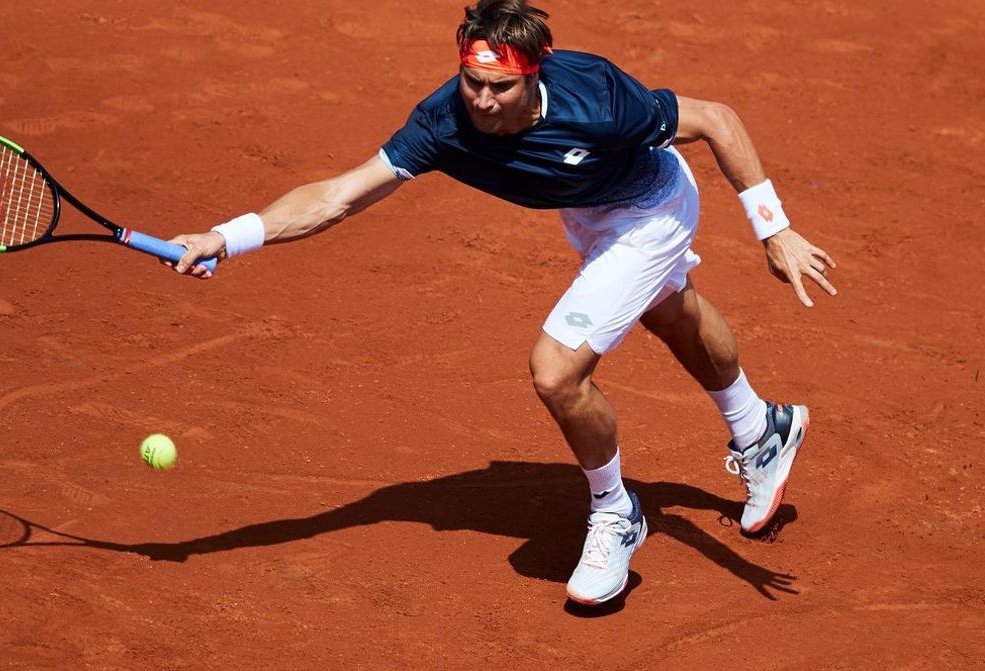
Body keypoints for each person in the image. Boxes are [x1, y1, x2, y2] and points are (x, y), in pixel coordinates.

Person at [164, 0, 837, 606]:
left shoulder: (597, 98)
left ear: (535, 73)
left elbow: (716, 119)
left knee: (556, 370)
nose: (482, 102)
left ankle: (615, 509)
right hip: (585, 211)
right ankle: (763, 428)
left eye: (501, 86)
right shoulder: (442, 122)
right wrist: (227, 236)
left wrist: (773, 228)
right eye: (472, 82)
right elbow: (339, 195)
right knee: (668, 310)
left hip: (652, 204)